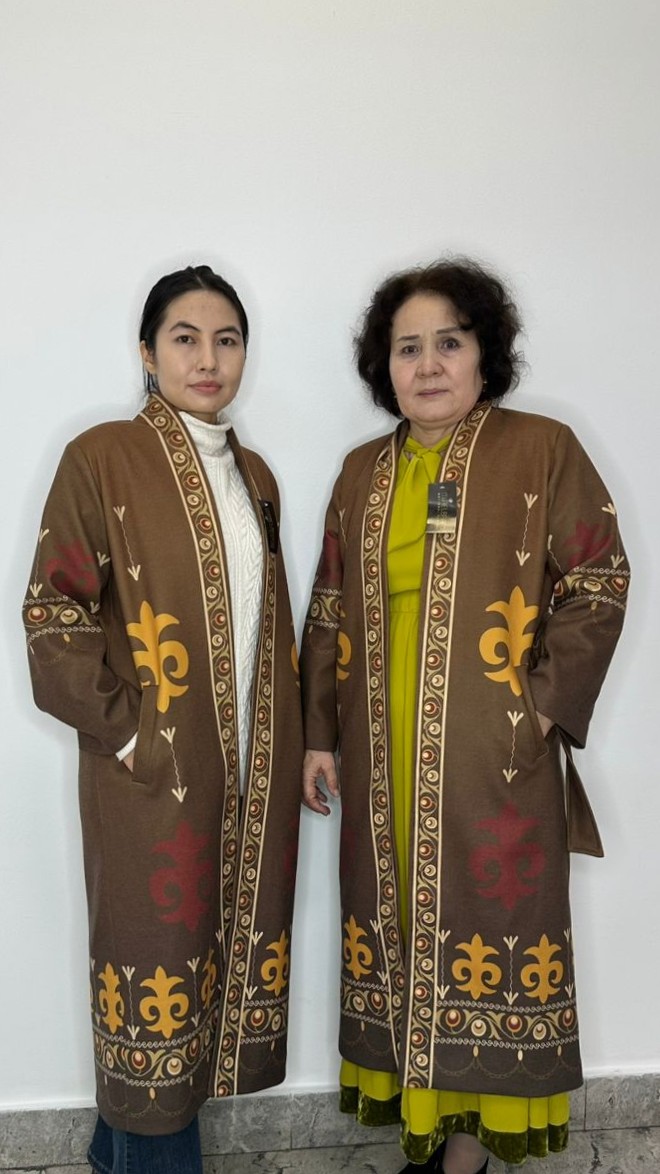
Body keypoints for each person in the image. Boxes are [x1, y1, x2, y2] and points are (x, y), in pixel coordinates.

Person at [300, 258, 629, 1173]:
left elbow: (600, 579)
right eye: (408, 348)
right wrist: (319, 736)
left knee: (489, 934)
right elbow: (327, 608)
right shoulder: (362, 473)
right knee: (404, 928)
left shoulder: (541, 449)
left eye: (449, 341)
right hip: (382, 757)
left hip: (494, 754)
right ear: (385, 367)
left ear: (487, 353)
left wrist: (539, 710)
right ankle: (426, 1133)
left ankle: (469, 1157)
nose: (429, 364)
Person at [23, 265, 303, 1173]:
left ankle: (113, 1156)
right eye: (185, 338)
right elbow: (54, 613)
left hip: (245, 775)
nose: (208, 358)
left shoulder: (257, 476)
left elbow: (270, 626)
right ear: (148, 354)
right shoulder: (102, 458)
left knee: (210, 974)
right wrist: (131, 733)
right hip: (149, 779)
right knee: (155, 974)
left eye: (227, 340)